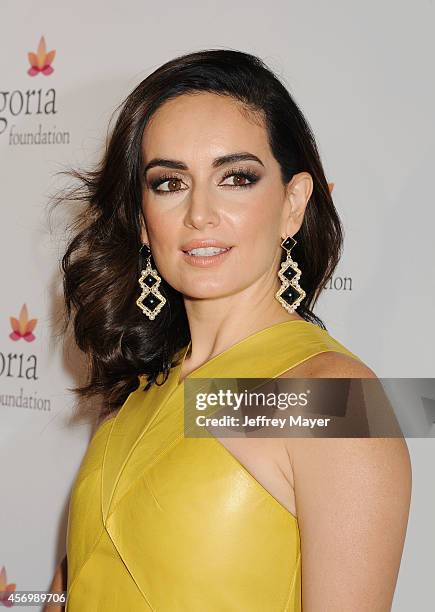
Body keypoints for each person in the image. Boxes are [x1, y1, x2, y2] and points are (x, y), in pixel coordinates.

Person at [50, 49, 411, 611]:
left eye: (236, 178)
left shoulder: (329, 398)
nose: (199, 214)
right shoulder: (138, 389)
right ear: (143, 221)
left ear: (293, 204)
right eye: (169, 183)